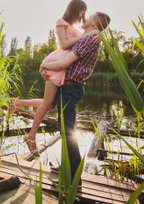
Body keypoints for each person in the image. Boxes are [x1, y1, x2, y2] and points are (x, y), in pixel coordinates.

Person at [37, 11, 111, 184]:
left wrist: (43, 65)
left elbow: (64, 63)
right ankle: (69, 167)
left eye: (89, 16)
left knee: (67, 130)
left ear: (94, 22)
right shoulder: (90, 38)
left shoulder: (88, 40)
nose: (84, 18)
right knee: (66, 129)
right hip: (72, 87)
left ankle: (73, 176)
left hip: (71, 88)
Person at [9, 0, 98, 116]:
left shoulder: (78, 30)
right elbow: (64, 44)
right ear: (78, 10)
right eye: (83, 11)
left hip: (67, 65)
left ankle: (17, 102)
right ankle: (30, 130)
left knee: (51, 104)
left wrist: (99, 36)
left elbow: (88, 40)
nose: (83, 15)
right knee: (48, 103)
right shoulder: (62, 22)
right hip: (59, 61)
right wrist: (86, 35)